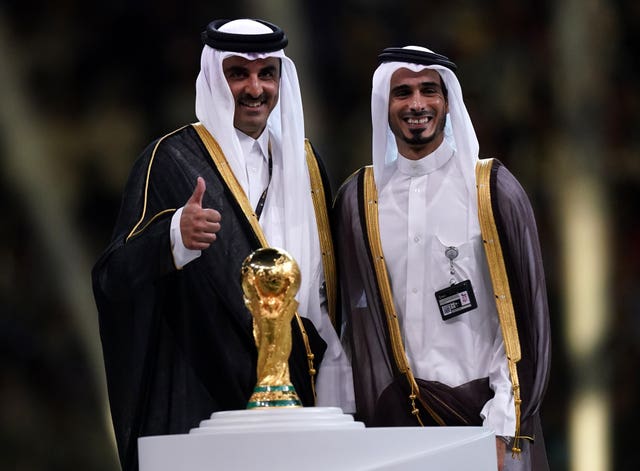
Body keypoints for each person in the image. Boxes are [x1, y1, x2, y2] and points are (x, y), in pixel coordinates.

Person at [92, 18, 354, 471]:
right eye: (238, 73)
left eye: (266, 73)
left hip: (301, 406)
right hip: (202, 404)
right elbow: (112, 279)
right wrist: (173, 238)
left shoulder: (305, 163)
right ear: (214, 77)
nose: (255, 88)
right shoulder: (172, 159)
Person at [334, 46, 550, 470]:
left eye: (428, 90)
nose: (416, 104)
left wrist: (503, 426)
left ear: (448, 100)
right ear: (385, 103)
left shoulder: (491, 191)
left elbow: (524, 320)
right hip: (392, 427)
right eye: (403, 93)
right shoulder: (360, 200)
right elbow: (345, 321)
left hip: (482, 422)